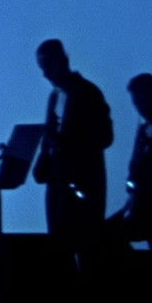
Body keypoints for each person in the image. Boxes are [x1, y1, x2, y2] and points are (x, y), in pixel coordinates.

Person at [31, 39, 112, 273]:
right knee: (60, 249)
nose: (45, 73)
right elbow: (50, 135)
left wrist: (69, 145)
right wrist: (43, 163)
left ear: (62, 61)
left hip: (82, 184)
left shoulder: (88, 93)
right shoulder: (55, 97)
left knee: (87, 250)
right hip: (58, 184)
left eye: (48, 65)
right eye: (43, 67)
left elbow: (105, 136)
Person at [106, 73, 152, 262]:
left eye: (142, 100)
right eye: (136, 103)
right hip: (141, 204)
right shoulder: (143, 130)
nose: (140, 107)